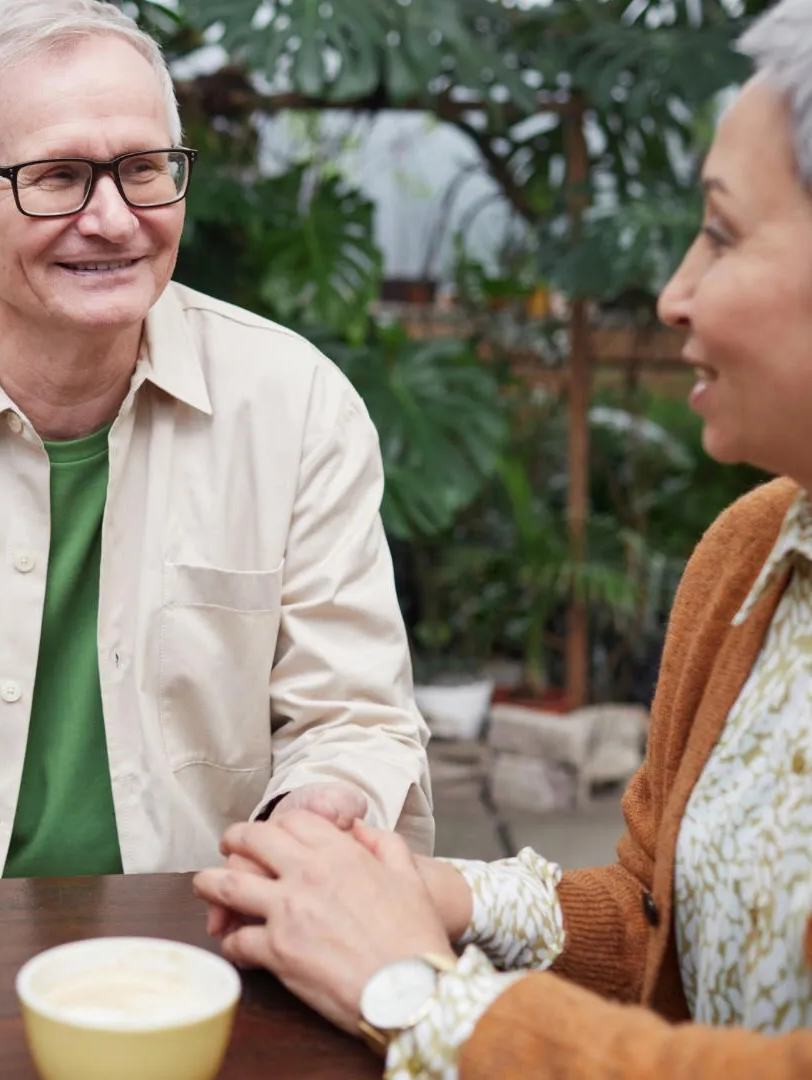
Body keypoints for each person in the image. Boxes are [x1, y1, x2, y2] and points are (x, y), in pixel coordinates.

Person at [0, 0, 433, 1021]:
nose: (113, 218)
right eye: (57, 177)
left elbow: (356, 715)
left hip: (211, 957)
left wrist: (317, 813)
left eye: (143, 168)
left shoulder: (294, 407)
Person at [194, 1, 812, 1075]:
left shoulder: (294, 406)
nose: (673, 294)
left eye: (720, 231)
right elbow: (653, 916)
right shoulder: (753, 560)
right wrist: (437, 895)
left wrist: (416, 994)